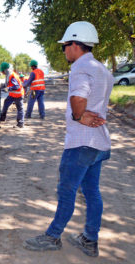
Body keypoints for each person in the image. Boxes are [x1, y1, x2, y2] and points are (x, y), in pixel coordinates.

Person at [23, 21, 113, 258]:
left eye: (65, 46)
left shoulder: (80, 68)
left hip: (81, 142)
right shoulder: (102, 69)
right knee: (92, 192)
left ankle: (52, 236)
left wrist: (78, 115)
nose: (64, 50)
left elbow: (79, 97)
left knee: (67, 190)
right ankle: (90, 239)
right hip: (99, 143)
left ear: (75, 44)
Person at [0, 62, 25, 128]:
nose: (2, 73)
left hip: (18, 95)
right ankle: (2, 117)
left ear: (5, 70)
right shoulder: (8, 75)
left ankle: (20, 123)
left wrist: (7, 89)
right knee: (6, 103)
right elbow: (8, 83)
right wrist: (2, 86)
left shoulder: (12, 76)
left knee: (20, 109)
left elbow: (16, 86)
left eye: (2, 71)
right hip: (12, 95)